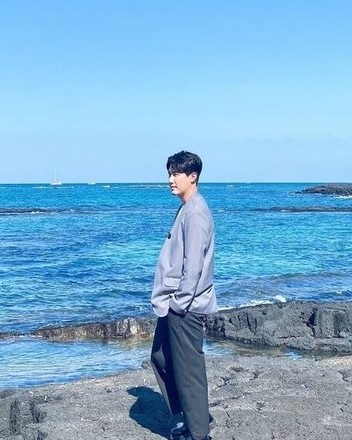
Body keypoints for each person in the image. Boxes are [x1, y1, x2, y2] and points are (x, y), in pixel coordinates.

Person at [150, 150, 217, 440]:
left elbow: (194, 267)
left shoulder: (196, 213)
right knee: (161, 357)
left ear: (193, 177)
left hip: (185, 307)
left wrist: (179, 303)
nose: (171, 179)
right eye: (170, 173)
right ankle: (194, 416)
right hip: (175, 304)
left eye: (176, 173)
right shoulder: (187, 208)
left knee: (188, 370)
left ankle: (198, 433)